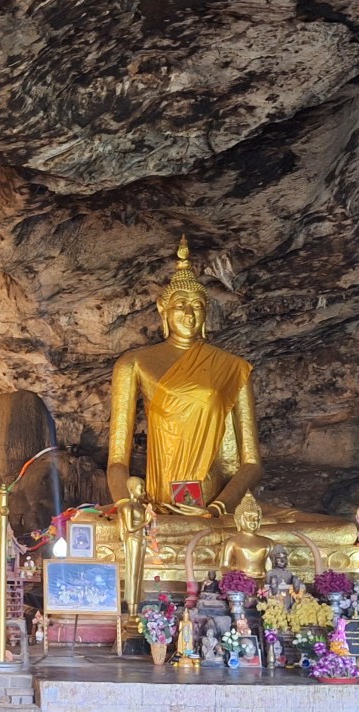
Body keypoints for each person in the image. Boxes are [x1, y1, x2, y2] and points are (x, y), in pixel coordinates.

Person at [107, 236, 262, 516]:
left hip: (214, 508)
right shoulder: (134, 363)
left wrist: (217, 508)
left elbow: (251, 463)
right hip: (159, 505)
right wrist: (124, 504)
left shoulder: (232, 367)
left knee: (340, 531)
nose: (190, 314)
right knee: (102, 527)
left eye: (198, 306)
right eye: (180, 305)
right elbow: (117, 461)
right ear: (162, 308)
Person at [116, 476, 155, 613]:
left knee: (139, 574)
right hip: (132, 540)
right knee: (132, 573)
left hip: (142, 539)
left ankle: (136, 608)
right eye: (140, 488)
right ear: (131, 489)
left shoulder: (141, 507)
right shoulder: (128, 506)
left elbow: (146, 526)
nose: (144, 491)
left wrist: (150, 522)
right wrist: (146, 521)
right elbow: (130, 528)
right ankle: (131, 611)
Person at [219, 492, 272, 578]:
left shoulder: (268, 542)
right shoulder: (231, 542)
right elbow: (225, 566)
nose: (252, 521)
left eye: (255, 518)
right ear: (238, 520)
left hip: (264, 580)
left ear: (260, 521)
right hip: (241, 581)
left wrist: (272, 580)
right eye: (248, 518)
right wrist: (230, 580)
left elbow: (270, 567)